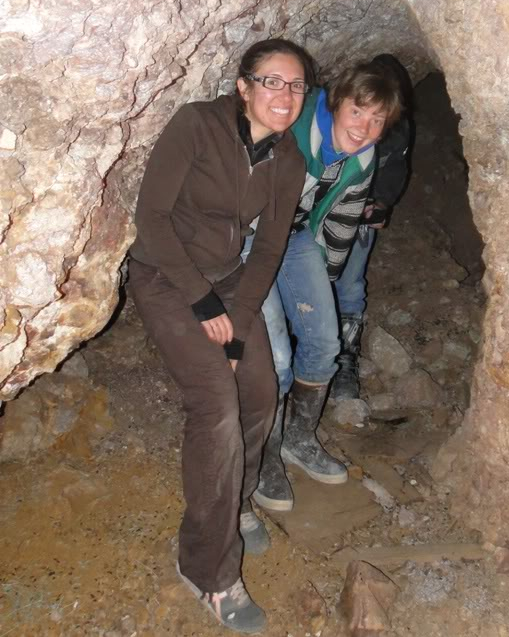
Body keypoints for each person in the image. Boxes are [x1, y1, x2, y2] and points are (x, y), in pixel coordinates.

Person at [127, 38, 314, 634]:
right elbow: (151, 219)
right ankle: (208, 569)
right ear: (243, 86)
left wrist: (236, 319)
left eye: (296, 86)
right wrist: (205, 307)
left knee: (260, 391)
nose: (284, 95)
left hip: (231, 284)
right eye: (272, 82)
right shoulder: (198, 125)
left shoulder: (289, 162)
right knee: (214, 406)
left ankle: (233, 502)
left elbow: (270, 247)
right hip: (164, 275)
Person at [252, 61, 404, 513]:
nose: (366, 127)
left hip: (295, 238)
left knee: (323, 340)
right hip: (249, 240)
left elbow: (340, 222)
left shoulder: (362, 158)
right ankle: (264, 455)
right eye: (359, 112)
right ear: (337, 103)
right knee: (277, 357)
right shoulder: (293, 125)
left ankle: (299, 439)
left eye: (378, 120)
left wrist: (317, 293)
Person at [331, 54, 415, 400]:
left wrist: (379, 203)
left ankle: (345, 360)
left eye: (379, 115)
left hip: (358, 217)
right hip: (318, 217)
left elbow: (396, 169)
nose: (367, 124)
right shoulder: (329, 127)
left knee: (350, 283)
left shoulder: (396, 134)